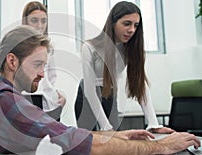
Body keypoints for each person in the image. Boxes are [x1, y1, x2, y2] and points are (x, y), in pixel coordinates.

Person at [0, 25, 200, 155]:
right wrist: (162, 146)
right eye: (38, 64)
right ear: (12, 61)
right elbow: (78, 143)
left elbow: (63, 132)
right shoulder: (4, 99)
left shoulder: (3, 95)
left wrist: (118, 135)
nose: (43, 74)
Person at [75, 1, 175, 133]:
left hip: (109, 94)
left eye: (136, 25)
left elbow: (140, 85)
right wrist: (105, 126)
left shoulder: (130, 49)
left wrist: (153, 123)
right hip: (87, 96)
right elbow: (89, 91)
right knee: (90, 142)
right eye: (127, 24)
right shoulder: (90, 47)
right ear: (113, 23)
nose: (132, 30)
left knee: (117, 140)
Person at [21, 1, 65, 119]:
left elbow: (51, 79)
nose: (40, 25)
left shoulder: (48, 48)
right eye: (34, 20)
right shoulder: (18, 47)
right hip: (29, 102)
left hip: (50, 105)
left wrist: (59, 96)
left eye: (43, 21)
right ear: (26, 22)